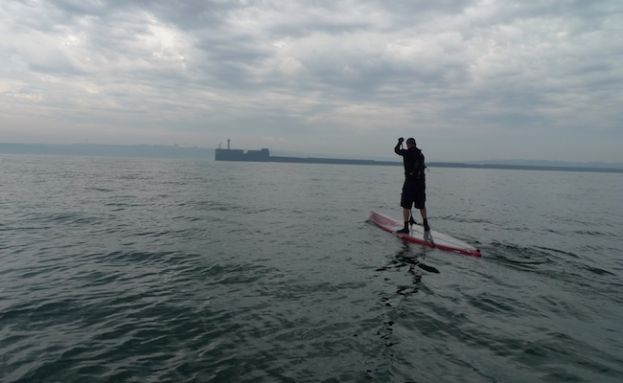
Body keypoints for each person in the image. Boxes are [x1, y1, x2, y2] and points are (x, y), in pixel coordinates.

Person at [394, 137, 430, 234]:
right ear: (415, 144)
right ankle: (426, 225)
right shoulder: (421, 155)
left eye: (406, 144)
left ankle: (406, 228)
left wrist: (399, 142)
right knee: (422, 205)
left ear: (408, 144)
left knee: (406, 205)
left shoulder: (406, 152)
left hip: (410, 184)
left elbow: (396, 150)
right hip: (421, 184)